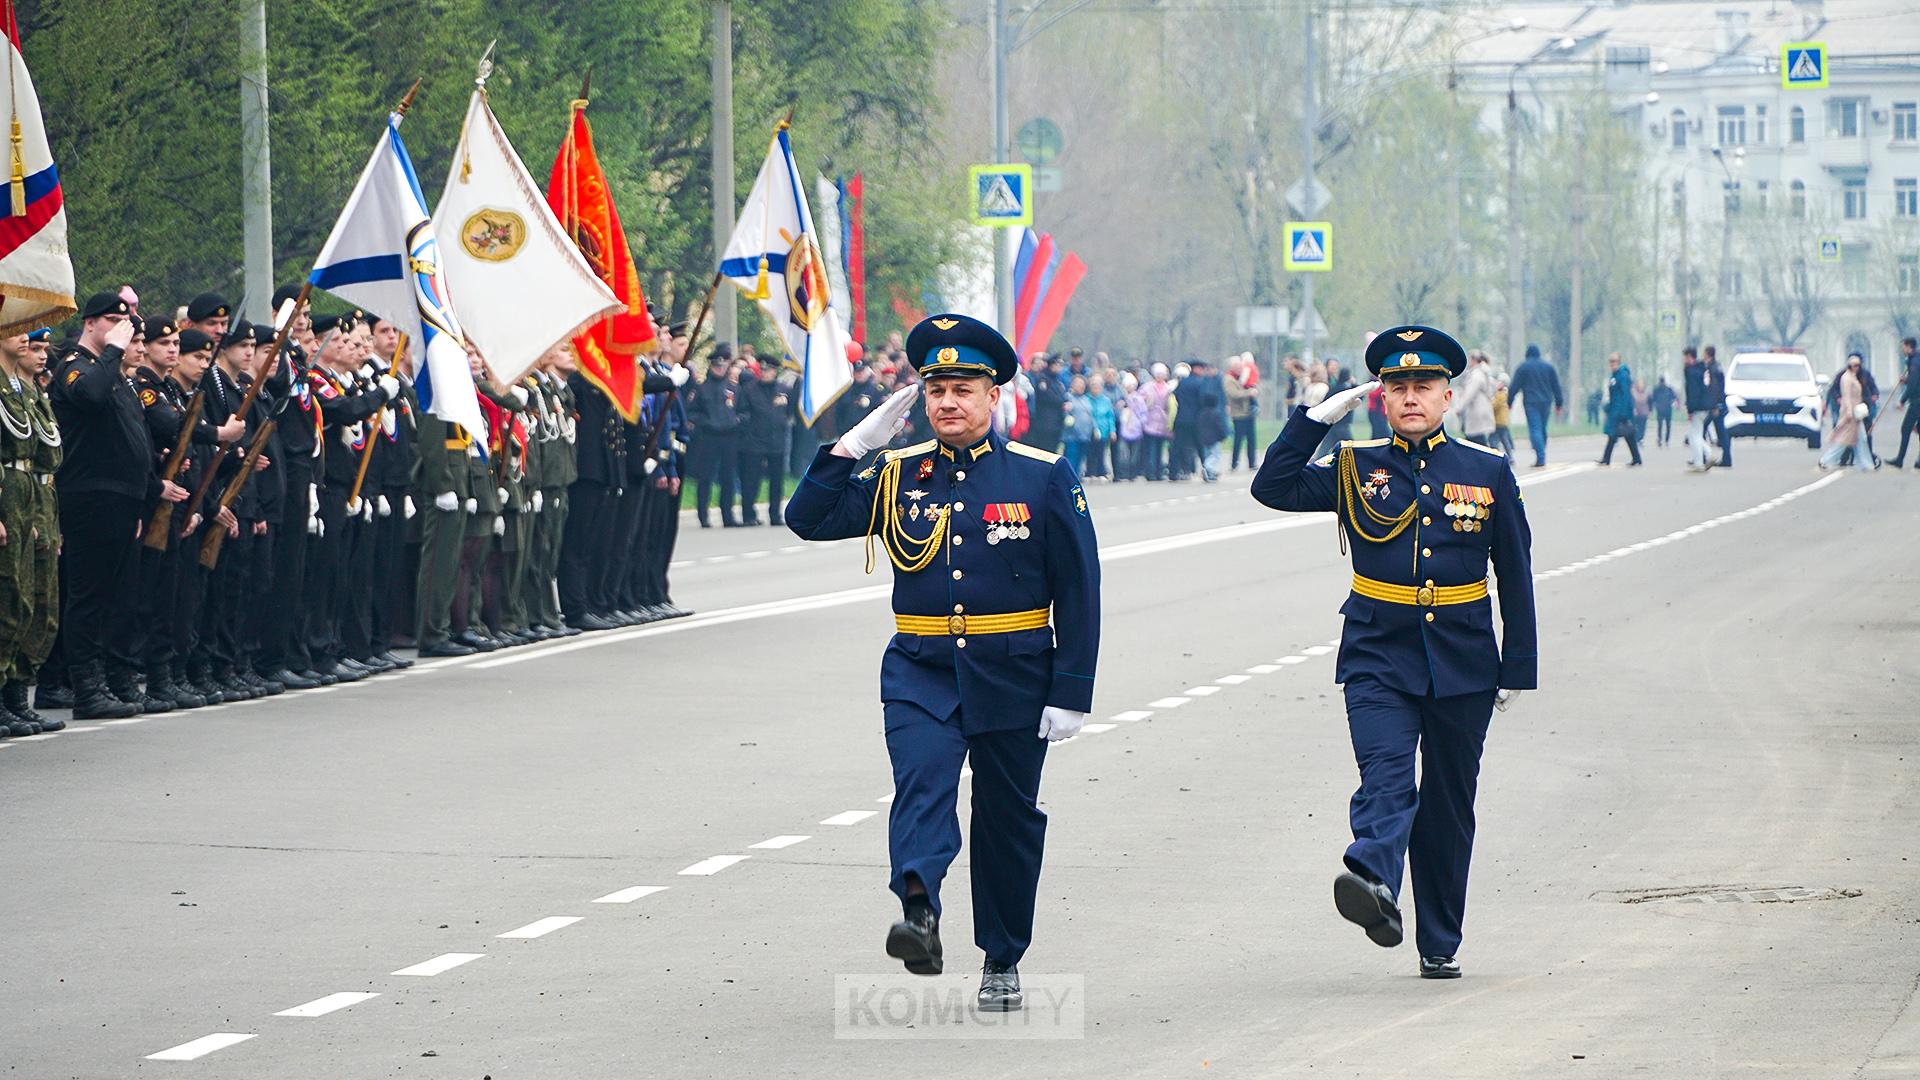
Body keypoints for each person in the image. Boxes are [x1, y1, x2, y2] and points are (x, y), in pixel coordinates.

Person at [785, 313, 1100, 1013]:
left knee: (1006, 819)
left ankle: (1002, 958)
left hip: (1016, 671)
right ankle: (919, 912)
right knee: (922, 782)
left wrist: (1072, 687)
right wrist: (854, 446)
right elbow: (807, 517)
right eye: (935, 390)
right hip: (920, 669)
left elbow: (1080, 585)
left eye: (962, 388)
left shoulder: (1043, 477)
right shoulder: (898, 475)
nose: (947, 402)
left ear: (994, 398)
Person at [1251, 324, 1535, 980]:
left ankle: (1439, 939)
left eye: (1424, 386)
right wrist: (1314, 420)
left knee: (1448, 804)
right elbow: (1274, 486)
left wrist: (1517, 662)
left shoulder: (1486, 472)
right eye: (1398, 386)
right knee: (1386, 775)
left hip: (1463, 657)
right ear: (1381, 397)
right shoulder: (1356, 467)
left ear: (1447, 396)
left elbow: (1515, 572)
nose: (1411, 396)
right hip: (1378, 650)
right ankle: (1372, 877)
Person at [43, 293, 189, 719]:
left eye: (124, 322)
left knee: (118, 596)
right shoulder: (76, 365)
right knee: (88, 595)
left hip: (124, 498)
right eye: (111, 320)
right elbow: (88, 397)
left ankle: (112, 678)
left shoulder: (116, 375)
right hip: (90, 496)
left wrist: (147, 490)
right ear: (90, 323)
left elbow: (135, 438)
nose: (121, 329)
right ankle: (86, 687)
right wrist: (111, 350)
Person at [0, 329, 65, 734]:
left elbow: (47, 452)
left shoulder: (26, 390)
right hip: (10, 494)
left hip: (35, 497)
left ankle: (16, 695)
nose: (30, 345)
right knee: (10, 594)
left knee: (38, 600)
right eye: (18, 332)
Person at [737, 354, 792, 526]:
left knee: (776, 481)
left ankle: (775, 514)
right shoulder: (749, 389)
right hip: (754, 442)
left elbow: (789, 413)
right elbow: (742, 412)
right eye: (763, 370)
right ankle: (748, 515)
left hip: (776, 441)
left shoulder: (784, 389)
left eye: (768, 370)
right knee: (751, 480)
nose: (765, 373)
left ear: (775, 372)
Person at [1507, 343, 1564, 468]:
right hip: (1546, 402)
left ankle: (1540, 456)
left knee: (1535, 429)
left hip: (1531, 402)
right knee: (1542, 428)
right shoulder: (1549, 367)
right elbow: (1556, 386)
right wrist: (1559, 404)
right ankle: (1541, 453)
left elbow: (1514, 386)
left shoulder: (1523, 367)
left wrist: (1509, 402)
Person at [1820, 353, 1879, 472]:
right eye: (1854, 365)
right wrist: (1848, 412)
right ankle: (1826, 460)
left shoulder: (1856, 376)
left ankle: (1865, 463)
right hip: (1850, 412)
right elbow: (1846, 396)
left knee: (1861, 438)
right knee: (1844, 440)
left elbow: (1869, 388)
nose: (1857, 367)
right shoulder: (1846, 377)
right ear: (1850, 365)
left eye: (1858, 365)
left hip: (1857, 412)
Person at [1597, 353, 1644, 467]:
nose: (1612, 365)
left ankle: (1607, 458)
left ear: (1618, 362)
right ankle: (1635, 458)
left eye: (1614, 362)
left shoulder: (1623, 376)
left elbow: (1625, 394)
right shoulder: (1614, 376)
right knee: (1625, 435)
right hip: (1615, 410)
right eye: (1611, 363)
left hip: (1622, 410)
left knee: (1619, 435)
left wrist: (1624, 412)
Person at [1888, 337, 1920, 469]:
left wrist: (1902, 401)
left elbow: (1913, 385)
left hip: (1917, 402)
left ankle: (1900, 460)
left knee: (1906, 428)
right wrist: (1906, 380)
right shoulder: (1915, 359)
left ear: (1908, 347)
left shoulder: (1914, 362)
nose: (1902, 350)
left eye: (1903, 347)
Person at [1454, 350, 1495, 445]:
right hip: (1482, 409)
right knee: (1476, 440)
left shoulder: (1476, 374)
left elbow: (1469, 393)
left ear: (1474, 360)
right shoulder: (1485, 373)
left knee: (1476, 440)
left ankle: (1486, 459)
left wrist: (1459, 407)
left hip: (1476, 411)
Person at [1225, 357, 1258, 470]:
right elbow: (1234, 394)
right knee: (1238, 440)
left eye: (1240, 366)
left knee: (1252, 439)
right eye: (1237, 367)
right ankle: (1234, 463)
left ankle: (1252, 463)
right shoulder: (1229, 379)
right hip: (1238, 414)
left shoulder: (1243, 377)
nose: (1240, 368)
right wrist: (1249, 393)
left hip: (1248, 413)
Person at [1650, 375, 1678, 448]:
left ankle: (1665, 439)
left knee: (1665, 425)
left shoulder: (1667, 389)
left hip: (1666, 409)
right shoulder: (1659, 389)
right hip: (1662, 409)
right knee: (1662, 425)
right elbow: (1653, 399)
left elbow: (1674, 397)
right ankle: (1662, 439)